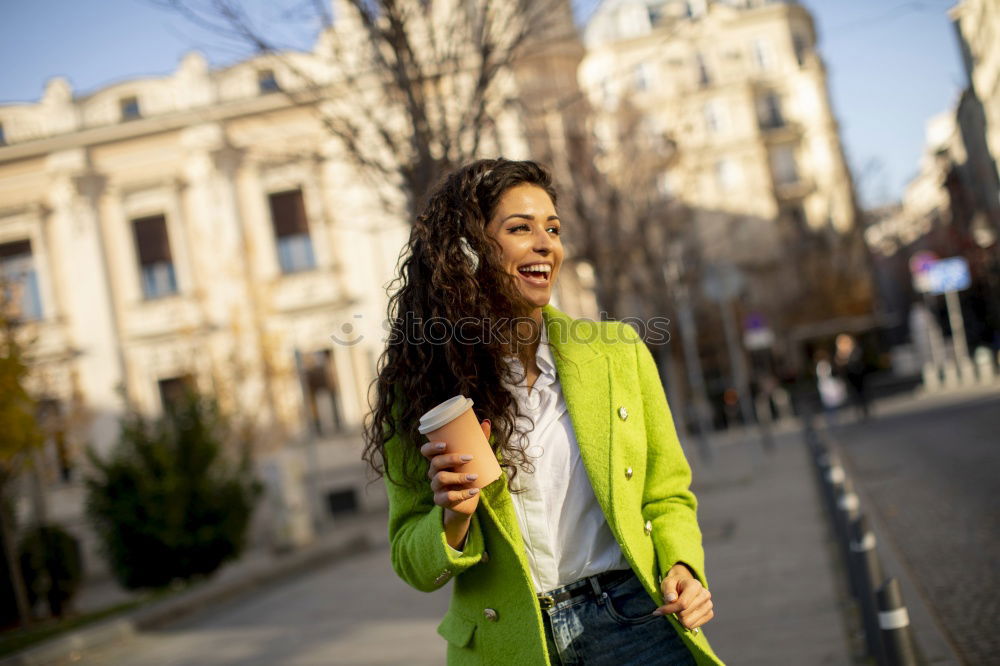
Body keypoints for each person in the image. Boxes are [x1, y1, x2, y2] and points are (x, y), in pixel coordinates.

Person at [363, 158, 722, 665]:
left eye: (552, 228)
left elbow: (666, 494)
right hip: (509, 643)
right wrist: (452, 518)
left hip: (635, 624)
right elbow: (414, 562)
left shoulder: (616, 353)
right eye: (520, 229)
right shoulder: (421, 388)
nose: (546, 244)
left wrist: (682, 564)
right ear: (467, 252)